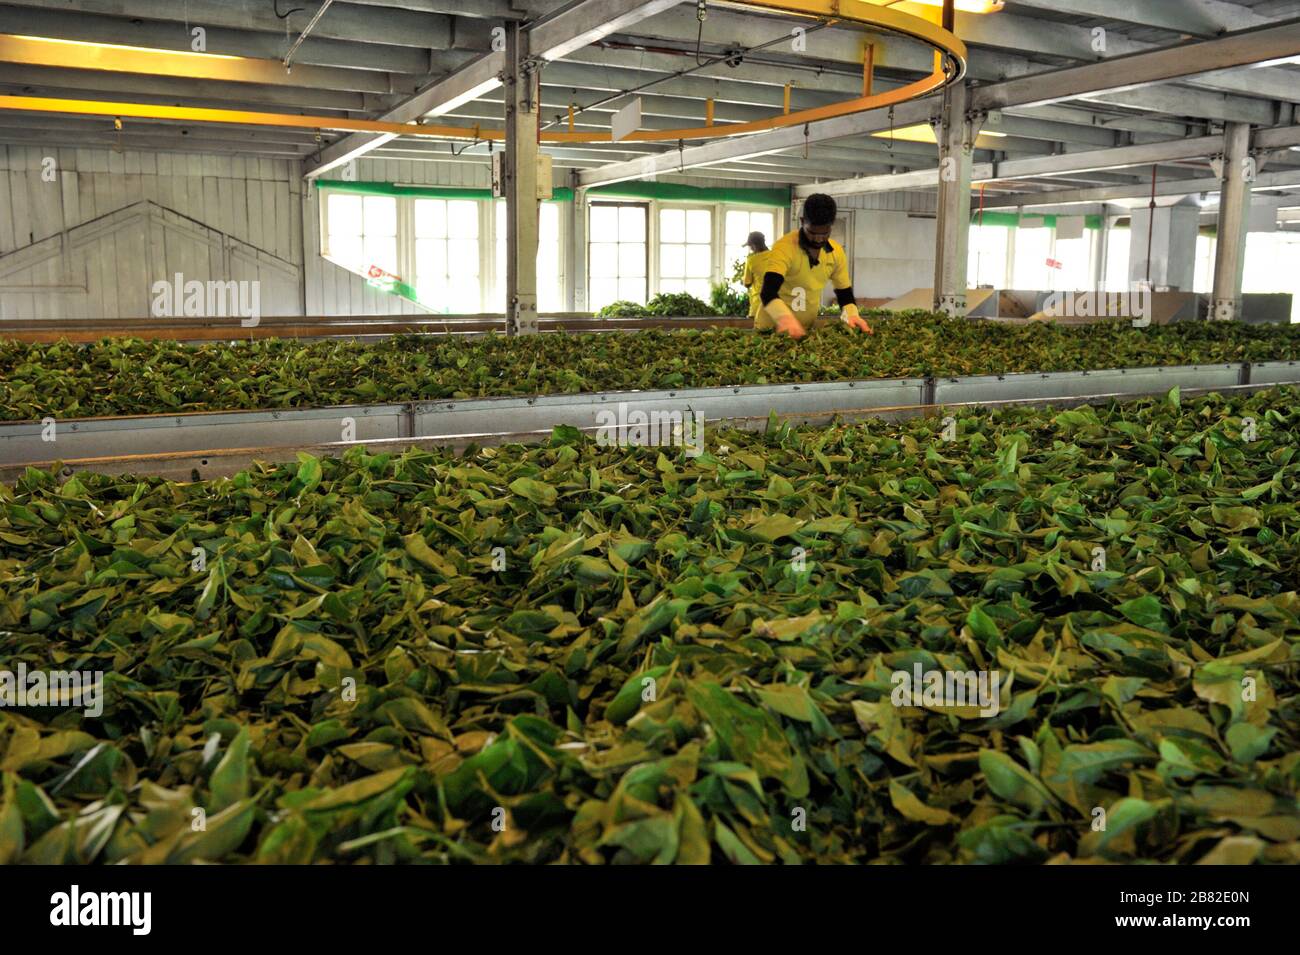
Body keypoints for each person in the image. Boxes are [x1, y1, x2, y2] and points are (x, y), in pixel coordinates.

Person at [756, 193, 872, 339]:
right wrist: (785, 319)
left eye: (825, 233)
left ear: (831, 225)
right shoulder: (784, 248)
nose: (818, 239)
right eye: (812, 232)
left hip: (805, 332)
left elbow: (844, 294)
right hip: (771, 330)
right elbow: (768, 292)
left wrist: (852, 315)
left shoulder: (836, 253)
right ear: (802, 221)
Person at [740, 231, 772, 321]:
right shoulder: (776, 256)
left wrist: (742, 280)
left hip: (758, 306)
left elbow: (747, 283)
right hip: (776, 305)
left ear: (753, 245)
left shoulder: (751, 260)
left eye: (750, 247)